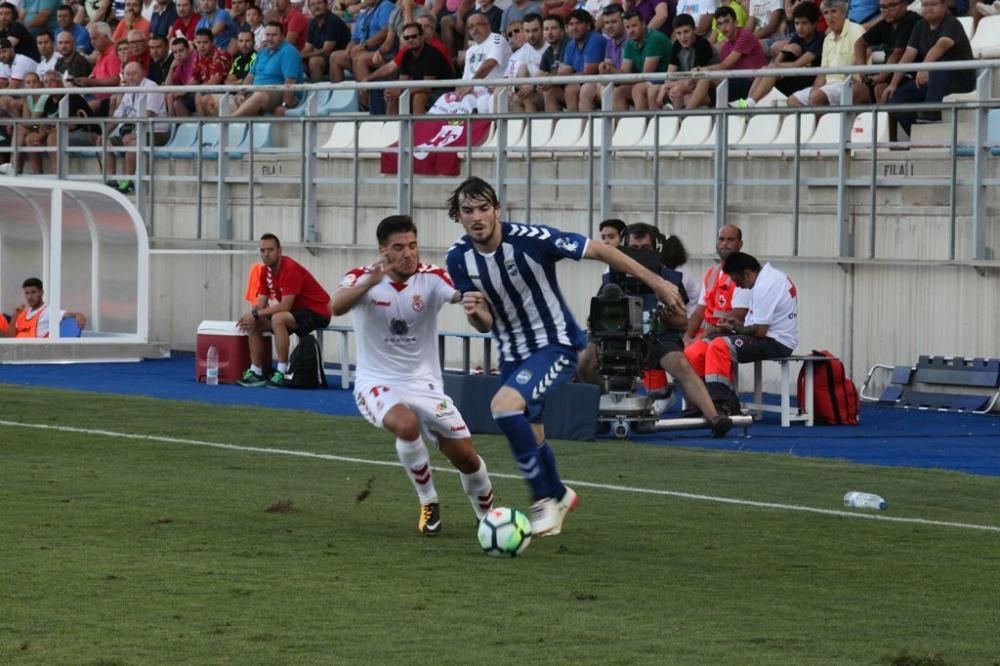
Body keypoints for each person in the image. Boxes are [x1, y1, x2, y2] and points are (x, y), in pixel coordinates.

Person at [445, 177, 685, 536]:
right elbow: (484, 324)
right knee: (532, 432)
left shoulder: (531, 240)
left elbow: (600, 250)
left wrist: (657, 282)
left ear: (497, 210)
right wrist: (473, 310)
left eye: (483, 208)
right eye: (468, 211)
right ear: (459, 217)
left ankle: (544, 501)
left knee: (503, 407)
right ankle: (559, 493)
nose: (477, 217)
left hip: (554, 345)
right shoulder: (458, 259)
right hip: (513, 353)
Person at [331, 215, 495, 536]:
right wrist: (368, 282)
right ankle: (428, 501)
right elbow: (335, 307)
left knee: (466, 457)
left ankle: (488, 517)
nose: (409, 253)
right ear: (383, 251)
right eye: (399, 247)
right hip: (377, 381)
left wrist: (475, 304)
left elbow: (462, 295)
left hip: (425, 384)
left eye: (413, 246)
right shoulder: (361, 279)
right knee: (405, 425)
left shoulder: (431, 278)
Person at [579, 223, 733, 435]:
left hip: (657, 336)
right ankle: (604, 410)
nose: (640, 253)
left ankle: (714, 417)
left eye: (645, 248)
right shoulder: (613, 276)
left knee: (680, 363)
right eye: (635, 248)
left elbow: (682, 324)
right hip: (616, 335)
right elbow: (598, 312)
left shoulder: (669, 278)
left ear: (656, 248)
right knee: (585, 360)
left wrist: (672, 318)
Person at [688, 251, 800, 415]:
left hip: (777, 342)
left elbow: (760, 331)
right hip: (765, 336)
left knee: (719, 346)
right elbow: (755, 326)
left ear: (747, 273)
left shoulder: (765, 285)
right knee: (698, 349)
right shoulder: (766, 278)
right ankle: (701, 403)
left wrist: (736, 328)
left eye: (737, 281)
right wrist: (735, 326)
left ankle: (722, 404)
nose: (738, 286)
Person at [237, 233, 332, 388]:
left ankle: (281, 372)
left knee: (278, 318)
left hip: (319, 311)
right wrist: (251, 316)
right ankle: (256, 372)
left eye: (270, 250)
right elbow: (261, 303)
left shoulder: (290, 268)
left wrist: (255, 314)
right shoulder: (264, 272)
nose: (266, 254)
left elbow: (285, 306)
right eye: (262, 250)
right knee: (255, 323)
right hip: (296, 313)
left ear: (280, 251)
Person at [884, 0, 975, 136]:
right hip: (932, 79)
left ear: (944, 5)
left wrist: (924, 68)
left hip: (959, 79)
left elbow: (940, 46)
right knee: (895, 101)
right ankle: (920, 134)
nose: (928, 8)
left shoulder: (952, 23)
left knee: (938, 70)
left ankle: (931, 117)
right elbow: (908, 54)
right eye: (925, 5)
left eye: (933, 4)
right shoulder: (920, 25)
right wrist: (893, 84)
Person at [731, 1, 824, 108]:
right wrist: (785, 49)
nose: (800, 28)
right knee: (765, 69)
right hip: (795, 78)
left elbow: (797, 64)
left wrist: (775, 66)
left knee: (771, 69)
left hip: (808, 82)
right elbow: (777, 62)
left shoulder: (819, 40)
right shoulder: (798, 37)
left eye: (804, 23)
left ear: (814, 24)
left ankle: (750, 104)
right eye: (797, 23)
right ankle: (748, 102)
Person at [105, 61, 169, 194]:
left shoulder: (151, 87)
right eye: (127, 74)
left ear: (143, 74)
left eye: (134, 73)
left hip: (156, 132)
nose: (130, 77)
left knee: (133, 142)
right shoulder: (129, 90)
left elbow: (148, 114)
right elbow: (117, 116)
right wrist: (104, 134)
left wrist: (135, 134)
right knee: (106, 143)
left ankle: (129, 181)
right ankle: (110, 181)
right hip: (136, 131)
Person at [685, 4, 767, 109]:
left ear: (736, 22)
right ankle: (682, 120)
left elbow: (724, 65)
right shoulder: (725, 47)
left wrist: (699, 70)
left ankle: (684, 115)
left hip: (751, 83)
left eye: (726, 22)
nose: (723, 27)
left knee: (705, 78)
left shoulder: (745, 36)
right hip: (734, 83)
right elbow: (725, 71)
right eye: (719, 24)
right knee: (687, 95)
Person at [428, 12, 510, 115]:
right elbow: (465, 78)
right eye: (471, 26)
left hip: (490, 92)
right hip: (471, 93)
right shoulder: (471, 50)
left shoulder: (497, 39)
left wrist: (472, 84)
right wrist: (461, 89)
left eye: (478, 24)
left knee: (470, 103)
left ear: (488, 26)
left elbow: (490, 63)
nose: (475, 28)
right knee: (445, 101)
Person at [787, 0, 864, 108]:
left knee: (817, 97)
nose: (830, 16)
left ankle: (818, 124)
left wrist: (853, 81)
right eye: (826, 13)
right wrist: (814, 89)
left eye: (834, 11)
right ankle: (814, 122)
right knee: (792, 100)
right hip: (828, 85)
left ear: (844, 13)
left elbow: (861, 61)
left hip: (847, 83)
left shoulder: (856, 29)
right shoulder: (827, 38)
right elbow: (823, 72)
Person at [851, 0, 920, 108]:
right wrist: (862, 72)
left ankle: (885, 125)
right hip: (888, 75)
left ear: (904, 4)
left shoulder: (912, 20)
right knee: (857, 91)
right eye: (882, 7)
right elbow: (859, 44)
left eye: (892, 5)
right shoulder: (885, 24)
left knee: (881, 89)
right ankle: (864, 124)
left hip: (910, 75)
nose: (886, 11)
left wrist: (881, 76)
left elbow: (898, 53)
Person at [231, 21, 304, 117]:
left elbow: (290, 81)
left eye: (274, 35)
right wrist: (241, 94)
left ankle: (228, 122)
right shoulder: (262, 52)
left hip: (278, 93)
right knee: (210, 100)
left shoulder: (289, 51)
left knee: (259, 95)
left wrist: (285, 105)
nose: (270, 38)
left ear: (282, 36)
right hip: (255, 93)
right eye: (267, 35)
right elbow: (250, 76)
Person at [649, 12, 717, 109]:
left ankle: (679, 120)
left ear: (694, 30)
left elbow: (694, 79)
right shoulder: (677, 45)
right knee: (652, 90)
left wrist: (667, 86)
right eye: (679, 33)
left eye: (686, 32)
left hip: (711, 87)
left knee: (677, 90)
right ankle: (655, 122)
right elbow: (669, 76)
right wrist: (667, 85)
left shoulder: (702, 44)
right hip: (691, 83)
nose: (682, 37)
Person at [3, 277, 87, 338]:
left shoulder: (48, 311)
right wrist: (14, 316)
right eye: (27, 293)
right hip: (16, 356)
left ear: (41, 292)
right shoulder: (22, 314)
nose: (30, 296)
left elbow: (67, 314)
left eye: (33, 292)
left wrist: (79, 315)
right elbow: (10, 338)